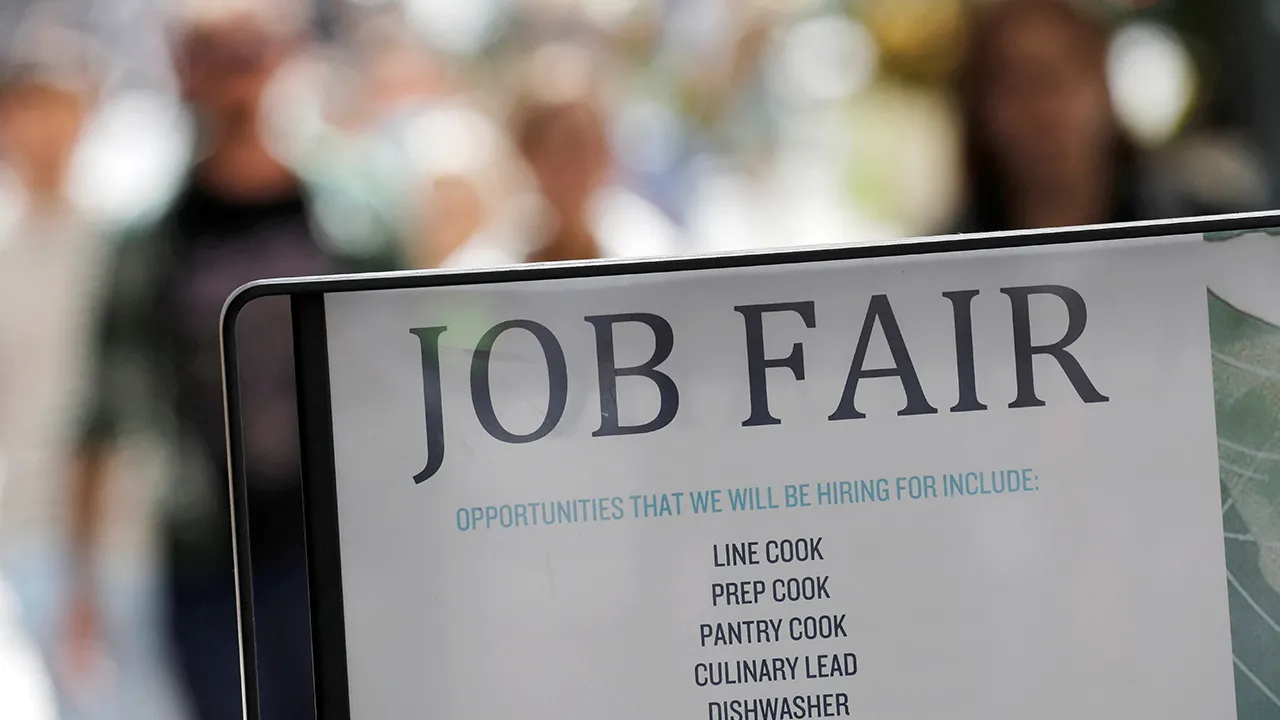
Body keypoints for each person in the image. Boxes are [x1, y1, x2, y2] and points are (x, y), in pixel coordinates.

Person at [64, 3, 404, 719]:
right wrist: (82, 584)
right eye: (213, 58)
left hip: (340, 543)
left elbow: (412, 377)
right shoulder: (152, 238)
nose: (236, 80)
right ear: (184, 72)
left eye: (249, 55)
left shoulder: (354, 218)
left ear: (283, 62)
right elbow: (102, 406)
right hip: (207, 553)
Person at [953, 0, 1190, 233]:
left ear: (1102, 84)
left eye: (1056, 80)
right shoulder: (945, 262)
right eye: (1016, 87)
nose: (1042, 113)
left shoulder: (1198, 236)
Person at [444, 43, 680, 268]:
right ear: (526, 154)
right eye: (558, 152)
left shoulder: (648, 246)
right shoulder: (489, 262)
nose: (575, 168)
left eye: (585, 147)